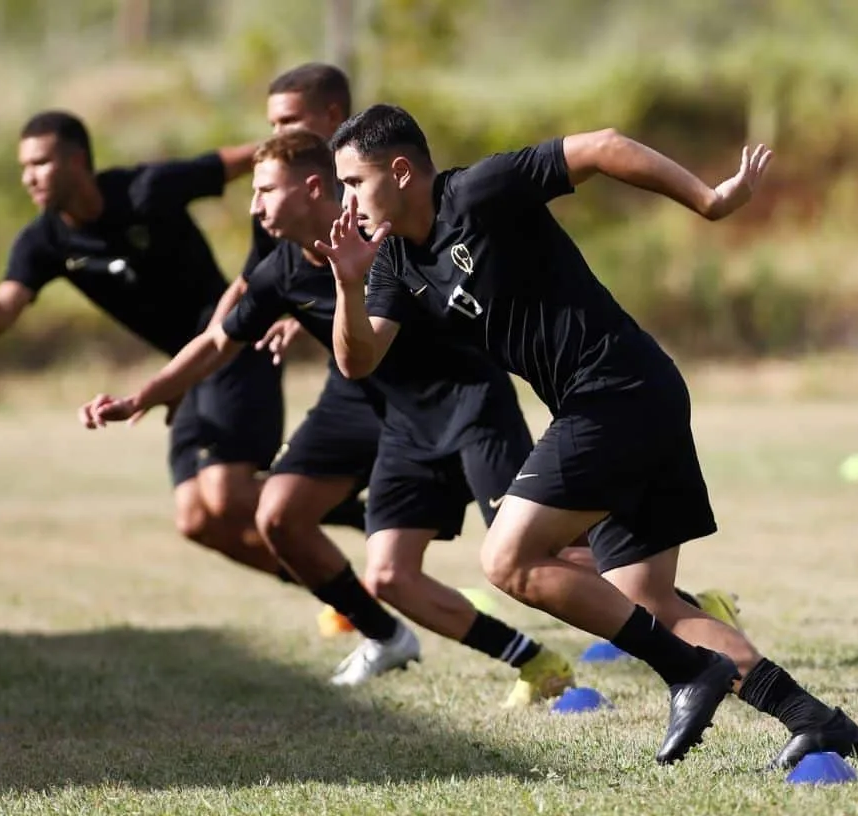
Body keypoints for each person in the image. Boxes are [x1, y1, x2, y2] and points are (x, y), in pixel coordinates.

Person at [318, 103, 858, 769]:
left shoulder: (478, 191)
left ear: (400, 172)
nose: (346, 200)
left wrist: (708, 200)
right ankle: (813, 719)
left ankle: (689, 673)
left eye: (352, 182)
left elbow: (603, 147)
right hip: (628, 398)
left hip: (618, 392)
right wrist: (347, 283)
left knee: (507, 560)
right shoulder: (394, 263)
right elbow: (358, 360)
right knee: (648, 598)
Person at [80, 130, 581, 706]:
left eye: (265, 189)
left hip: (473, 406)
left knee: (538, 562)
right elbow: (219, 342)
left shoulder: (386, 233)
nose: (254, 205)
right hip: (405, 426)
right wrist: (143, 396)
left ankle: (675, 627)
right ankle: (538, 663)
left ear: (312, 187)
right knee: (389, 576)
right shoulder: (282, 271)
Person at [0, 110, 289, 581]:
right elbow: (3, 315)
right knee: (195, 519)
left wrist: (311, 145)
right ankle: (346, 596)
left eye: (40, 164)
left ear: (76, 161)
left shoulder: (146, 189)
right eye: (24, 168)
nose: (29, 178)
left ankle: (339, 494)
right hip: (184, 371)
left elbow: (243, 160)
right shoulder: (43, 241)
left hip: (232, 342)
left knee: (226, 495)